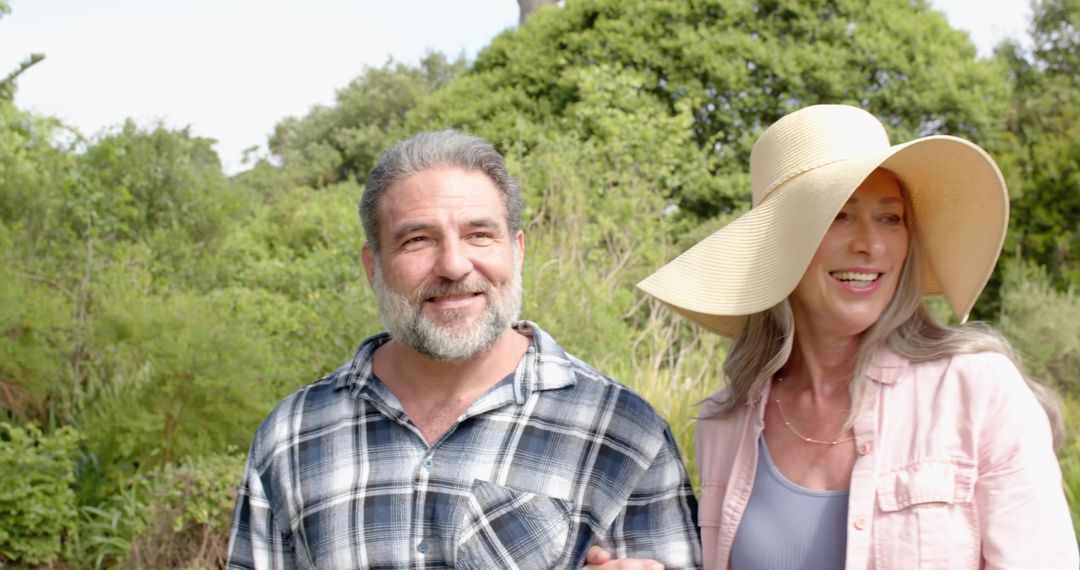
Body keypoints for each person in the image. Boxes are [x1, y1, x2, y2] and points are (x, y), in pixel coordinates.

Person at [623, 104, 1077, 568]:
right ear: (778, 247)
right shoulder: (725, 422)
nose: (872, 245)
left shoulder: (975, 390)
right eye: (839, 215)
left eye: (890, 218)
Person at [225, 129, 702, 569]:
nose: (453, 265)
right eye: (417, 239)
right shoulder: (291, 437)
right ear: (374, 267)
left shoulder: (624, 434)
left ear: (516, 251)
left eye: (479, 235)